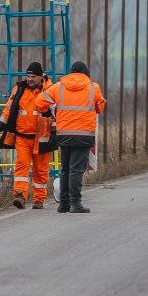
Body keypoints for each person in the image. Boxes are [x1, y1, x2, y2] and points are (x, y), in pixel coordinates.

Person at [41, 61, 105, 214]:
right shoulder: (93, 87)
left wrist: (50, 111)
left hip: (63, 134)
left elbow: (40, 101)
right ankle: (75, 203)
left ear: (71, 72)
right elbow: (100, 107)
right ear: (86, 73)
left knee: (65, 170)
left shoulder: (58, 86)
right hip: (83, 134)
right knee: (76, 170)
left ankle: (63, 204)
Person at [0, 63, 53, 209]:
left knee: (41, 170)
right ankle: (19, 195)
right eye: (28, 76)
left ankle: (39, 199)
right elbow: (8, 109)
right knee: (21, 167)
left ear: (41, 76)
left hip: (42, 138)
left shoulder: (50, 91)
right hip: (22, 137)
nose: (30, 79)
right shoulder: (19, 89)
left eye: (33, 77)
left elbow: (56, 113)